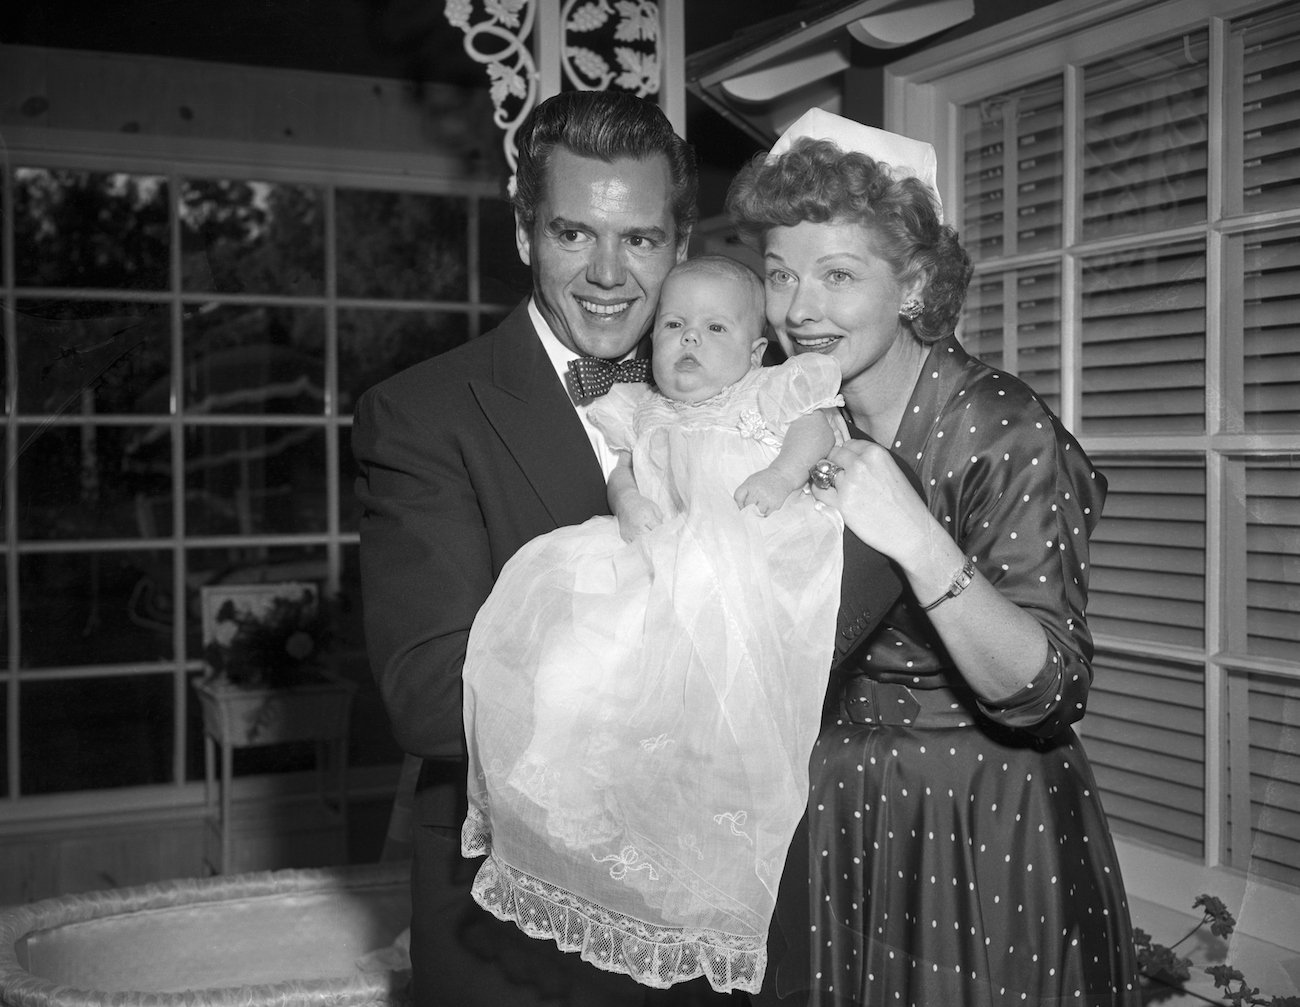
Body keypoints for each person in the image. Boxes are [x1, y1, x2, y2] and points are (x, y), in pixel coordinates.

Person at [354, 90, 901, 1007]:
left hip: (728, 920)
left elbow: (869, 575)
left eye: (640, 239)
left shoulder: (760, 392)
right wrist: (687, 663)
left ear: (679, 244)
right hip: (521, 950)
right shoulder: (421, 415)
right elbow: (425, 698)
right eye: (574, 234)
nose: (608, 273)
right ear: (527, 234)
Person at [726, 108, 1143, 1007]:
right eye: (781, 275)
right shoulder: (774, 420)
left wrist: (914, 535)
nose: (800, 309)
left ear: (913, 282)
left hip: (981, 818)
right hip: (832, 817)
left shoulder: (1004, 428)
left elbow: (1049, 689)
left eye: (839, 274)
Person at [461, 255, 846, 996]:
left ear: (756, 350)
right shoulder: (643, 406)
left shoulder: (768, 391)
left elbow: (817, 428)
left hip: (749, 545)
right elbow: (623, 469)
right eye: (673, 325)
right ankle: (555, 769)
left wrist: (781, 474)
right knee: (580, 651)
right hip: (658, 558)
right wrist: (628, 498)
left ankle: (700, 861)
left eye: (713, 327)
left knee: (712, 705)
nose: (688, 342)